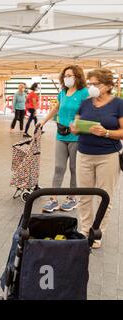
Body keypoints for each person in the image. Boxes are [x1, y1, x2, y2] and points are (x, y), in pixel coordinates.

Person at [70, 68, 123, 249]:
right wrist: (74, 127)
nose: (92, 87)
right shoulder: (85, 103)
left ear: (108, 85)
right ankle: (85, 230)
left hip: (108, 156)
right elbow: (75, 124)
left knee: (104, 196)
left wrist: (107, 132)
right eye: (90, 84)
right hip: (84, 153)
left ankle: (97, 231)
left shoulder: (118, 104)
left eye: (96, 84)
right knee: (83, 195)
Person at [40, 65, 89, 213]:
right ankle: (53, 199)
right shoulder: (63, 92)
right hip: (61, 135)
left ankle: (72, 198)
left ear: (77, 77)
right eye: (65, 75)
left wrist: (80, 124)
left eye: (70, 75)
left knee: (74, 169)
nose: (67, 78)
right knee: (59, 167)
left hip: (76, 137)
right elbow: (56, 108)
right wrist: (43, 121)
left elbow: (89, 111)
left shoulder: (84, 93)